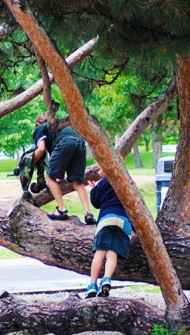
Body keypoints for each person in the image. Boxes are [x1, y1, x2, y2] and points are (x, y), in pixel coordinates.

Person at [31, 113, 95, 224]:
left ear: (37, 124)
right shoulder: (60, 127)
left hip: (64, 143)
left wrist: (28, 162)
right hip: (79, 143)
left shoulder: (40, 128)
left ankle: (61, 210)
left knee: (49, 176)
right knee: (78, 182)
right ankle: (88, 213)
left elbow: (41, 149)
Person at [85, 165, 132, 298]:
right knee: (112, 254)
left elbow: (96, 203)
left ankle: (92, 285)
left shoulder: (104, 182)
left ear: (107, 168)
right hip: (123, 221)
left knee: (100, 252)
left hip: (106, 219)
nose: (99, 173)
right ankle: (106, 279)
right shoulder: (125, 182)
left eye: (100, 169)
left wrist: (94, 190)